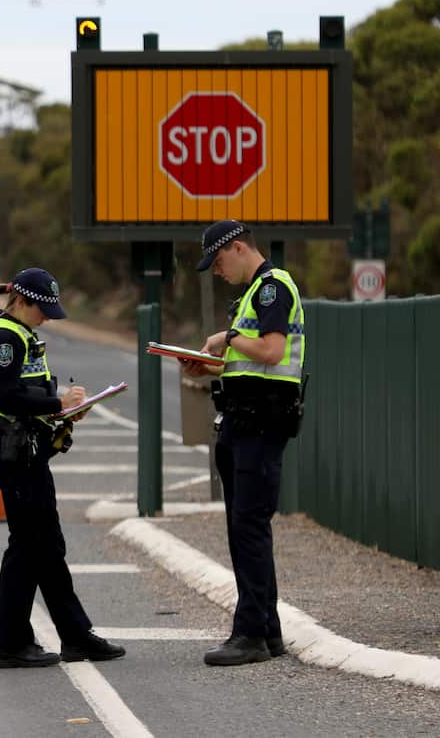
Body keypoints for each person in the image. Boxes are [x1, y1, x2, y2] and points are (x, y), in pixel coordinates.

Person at [0, 267, 126, 668]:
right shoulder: (5, 338)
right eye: (41, 309)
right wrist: (58, 405)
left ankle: (75, 636)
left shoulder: (21, 334)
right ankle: (12, 644)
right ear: (21, 301)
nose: (47, 317)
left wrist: (65, 410)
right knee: (27, 549)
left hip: (30, 451)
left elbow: (30, 392)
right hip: (17, 452)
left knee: (46, 548)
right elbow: (8, 397)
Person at [182, 219, 306, 667]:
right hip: (243, 421)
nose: (217, 272)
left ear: (237, 247)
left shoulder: (273, 288)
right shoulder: (253, 293)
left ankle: (251, 633)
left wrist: (228, 337)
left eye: (218, 262)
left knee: (249, 529)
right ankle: (267, 633)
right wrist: (209, 366)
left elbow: (272, 352)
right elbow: (252, 367)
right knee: (244, 529)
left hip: (260, 424)